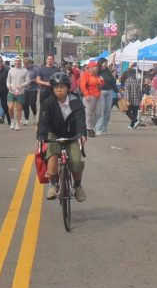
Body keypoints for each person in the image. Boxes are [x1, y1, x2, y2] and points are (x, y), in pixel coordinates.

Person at [37, 72, 87, 202]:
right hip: (54, 134)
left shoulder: (76, 101)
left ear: (68, 88)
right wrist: (41, 136)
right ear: (52, 89)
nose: (59, 89)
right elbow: (43, 121)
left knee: (76, 161)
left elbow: (80, 120)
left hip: (72, 135)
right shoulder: (48, 103)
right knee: (52, 155)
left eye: (62, 87)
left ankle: (77, 186)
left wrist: (82, 134)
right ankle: (53, 184)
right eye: (56, 87)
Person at [79, 61, 103, 137]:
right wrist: (86, 94)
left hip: (98, 96)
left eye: (97, 67)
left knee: (98, 113)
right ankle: (89, 129)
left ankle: (91, 127)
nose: (97, 68)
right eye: (95, 67)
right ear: (91, 68)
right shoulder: (85, 75)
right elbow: (83, 85)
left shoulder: (96, 76)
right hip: (89, 96)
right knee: (88, 114)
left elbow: (100, 86)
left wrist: (101, 81)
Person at [5, 57, 29, 130]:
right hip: (11, 92)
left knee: (19, 109)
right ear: (14, 62)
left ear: (21, 62)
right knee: (10, 108)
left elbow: (28, 81)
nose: (18, 63)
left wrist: (21, 86)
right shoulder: (11, 70)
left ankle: (17, 124)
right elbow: (8, 80)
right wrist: (8, 86)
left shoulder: (25, 70)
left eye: (19, 61)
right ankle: (12, 121)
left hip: (20, 92)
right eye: (16, 61)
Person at [95, 59, 118, 135]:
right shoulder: (97, 71)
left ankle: (104, 128)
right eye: (104, 63)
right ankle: (98, 128)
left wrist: (117, 92)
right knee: (101, 110)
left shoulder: (108, 71)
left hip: (109, 91)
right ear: (100, 63)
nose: (106, 64)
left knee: (107, 111)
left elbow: (113, 82)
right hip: (100, 92)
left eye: (106, 63)